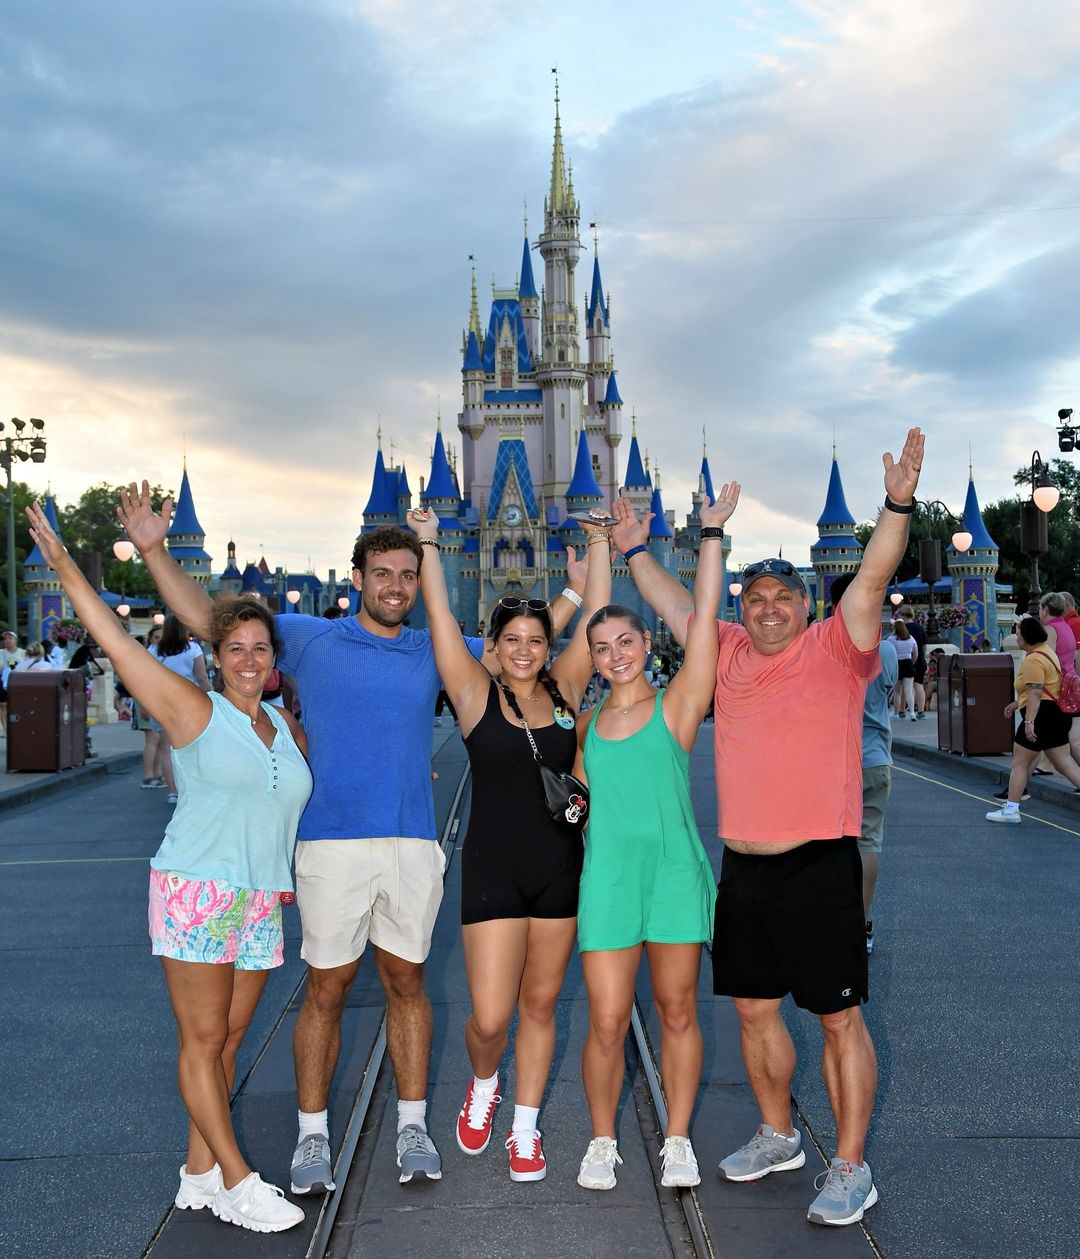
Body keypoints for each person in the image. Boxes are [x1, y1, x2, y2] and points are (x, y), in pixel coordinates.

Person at [116, 481, 586, 1192]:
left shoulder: (432, 647)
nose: (396, 586)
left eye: (408, 574)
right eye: (383, 574)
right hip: (331, 842)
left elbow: (521, 646)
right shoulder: (311, 638)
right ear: (358, 578)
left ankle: (412, 1124)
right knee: (327, 988)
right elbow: (212, 617)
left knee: (407, 983)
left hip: (410, 843)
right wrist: (155, 552)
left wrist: (574, 594)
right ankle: (313, 1135)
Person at [613, 427, 926, 1228]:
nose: (769, 607)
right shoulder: (722, 650)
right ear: (741, 608)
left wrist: (896, 503)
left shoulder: (838, 646)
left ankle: (851, 1164)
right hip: (745, 868)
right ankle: (779, 1132)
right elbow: (673, 601)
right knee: (753, 1011)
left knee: (837, 1017)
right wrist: (633, 548)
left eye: (783, 596)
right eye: (755, 598)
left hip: (820, 860)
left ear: (805, 604)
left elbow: (874, 572)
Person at [25, 500, 311, 1234]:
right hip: (197, 891)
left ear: (273, 658)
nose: (248, 659)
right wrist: (64, 566)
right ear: (215, 655)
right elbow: (116, 642)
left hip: (258, 898)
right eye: (234, 647)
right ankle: (239, 1181)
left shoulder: (281, 724)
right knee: (203, 1042)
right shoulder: (192, 709)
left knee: (230, 1041)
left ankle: (198, 1175)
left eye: (260, 648)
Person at [405, 504, 611, 1183]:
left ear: (550, 645)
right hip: (493, 871)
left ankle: (525, 1128)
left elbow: (596, 613)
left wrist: (600, 542)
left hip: (558, 869)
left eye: (536, 639)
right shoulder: (473, 694)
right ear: (492, 645)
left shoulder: (567, 687)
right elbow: (440, 617)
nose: (524, 649)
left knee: (541, 1006)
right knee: (491, 1019)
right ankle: (485, 1081)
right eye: (512, 638)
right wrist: (428, 544)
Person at [573, 487, 736, 1194]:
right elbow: (577, 805)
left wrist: (710, 536)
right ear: (592, 658)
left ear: (646, 645)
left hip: (672, 875)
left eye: (625, 643)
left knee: (676, 1011)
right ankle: (602, 1139)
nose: (615, 655)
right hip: (609, 881)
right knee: (607, 1020)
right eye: (601, 648)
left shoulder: (678, 706)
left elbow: (704, 625)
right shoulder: (586, 727)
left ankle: (677, 1138)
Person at [829, 572, 898, 955]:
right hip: (875, 758)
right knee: (868, 841)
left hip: (834, 762)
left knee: (828, 844)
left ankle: (831, 921)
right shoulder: (886, 650)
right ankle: (862, 924)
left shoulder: (823, 645)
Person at [985, 616, 1080, 823]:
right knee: (1065, 764)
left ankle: (1011, 810)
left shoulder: (1033, 660)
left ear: (1027, 637)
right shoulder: (1048, 653)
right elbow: (1044, 688)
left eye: (1019, 634)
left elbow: (1036, 693)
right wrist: (1017, 703)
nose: (1017, 637)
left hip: (1041, 716)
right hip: (1055, 714)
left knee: (1020, 762)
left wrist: (1029, 723)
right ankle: (1011, 807)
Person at [149, 616, 212, 804]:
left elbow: (148, 680)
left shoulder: (153, 650)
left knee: (167, 749)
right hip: (188, 701)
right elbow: (201, 677)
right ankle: (191, 788)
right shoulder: (193, 649)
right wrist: (212, 697)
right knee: (191, 747)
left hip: (161, 702)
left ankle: (172, 791)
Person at [896, 605, 927, 717]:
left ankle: (901, 710)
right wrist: (922, 656)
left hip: (905, 660)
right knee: (918, 685)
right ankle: (921, 711)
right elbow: (924, 646)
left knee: (904, 686)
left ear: (903, 615)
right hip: (920, 660)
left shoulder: (902, 629)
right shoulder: (920, 628)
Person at [889, 619, 917, 719]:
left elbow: (889, 653)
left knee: (897, 691)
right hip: (908, 663)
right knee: (909, 690)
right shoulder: (911, 638)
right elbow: (915, 653)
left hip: (897, 664)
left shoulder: (891, 639)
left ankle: (896, 713)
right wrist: (912, 663)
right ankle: (912, 713)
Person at [0, 630, 26, 734]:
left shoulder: (23, 653)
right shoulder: (1, 653)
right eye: (5, 639)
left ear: (15, 640)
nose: (7, 640)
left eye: (10, 638)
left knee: (17, 704)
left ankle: (18, 726)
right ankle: (5, 729)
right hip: (3, 680)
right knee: (3, 705)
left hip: (19, 680)